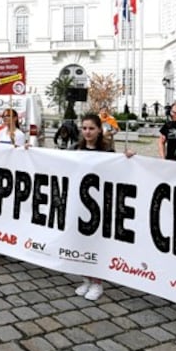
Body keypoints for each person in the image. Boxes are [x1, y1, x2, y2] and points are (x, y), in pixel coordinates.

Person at [71, 113, 134, 300]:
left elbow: (119, 173)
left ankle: (97, 282)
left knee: (96, 244)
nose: (87, 132)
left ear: (99, 130)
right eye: (84, 128)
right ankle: (86, 279)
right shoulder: (75, 149)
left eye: (91, 128)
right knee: (80, 242)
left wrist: (128, 158)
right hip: (79, 203)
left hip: (99, 205)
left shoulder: (107, 153)